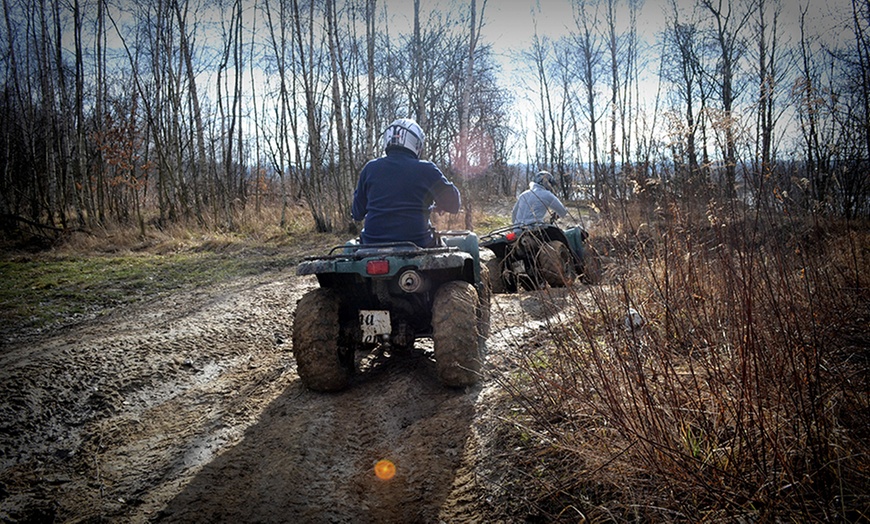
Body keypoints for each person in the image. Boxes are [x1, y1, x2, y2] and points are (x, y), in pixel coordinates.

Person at [352, 118, 461, 247]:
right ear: (416, 144)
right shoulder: (426, 169)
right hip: (419, 244)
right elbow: (454, 205)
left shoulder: (370, 168)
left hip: (372, 245)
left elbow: (357, 213)